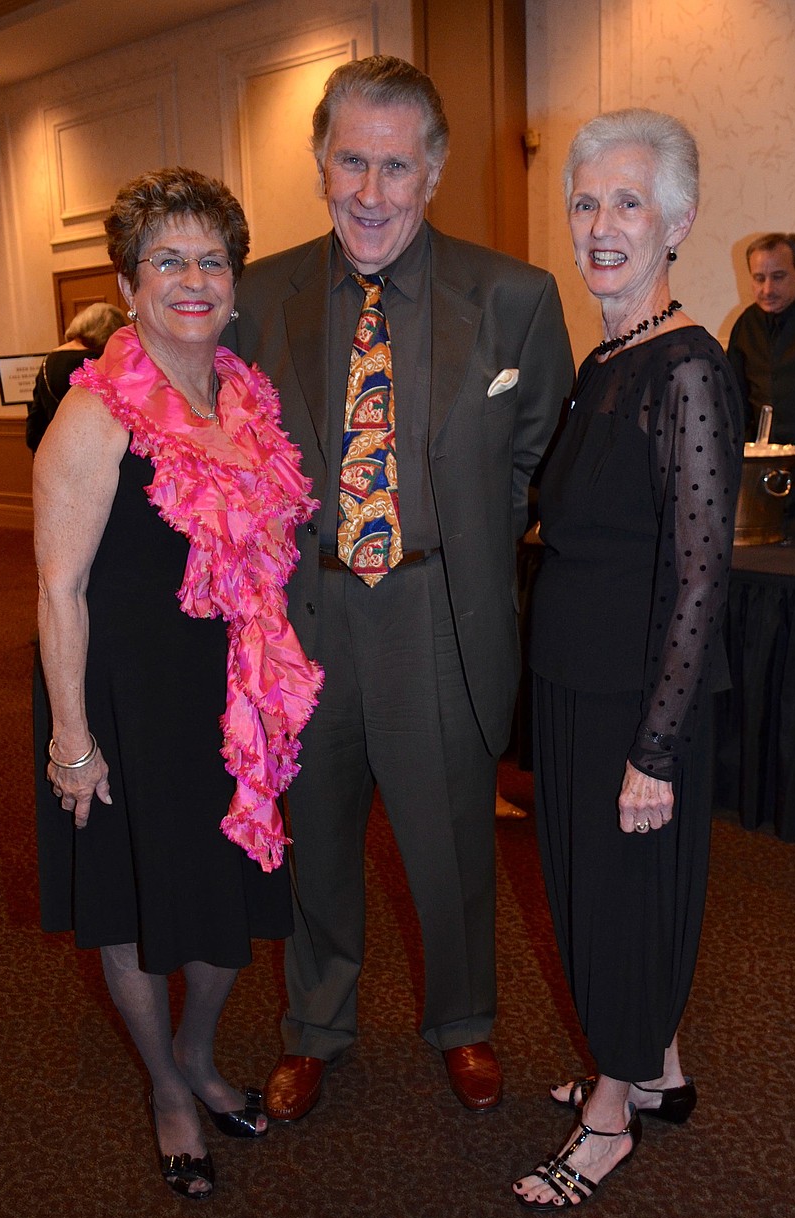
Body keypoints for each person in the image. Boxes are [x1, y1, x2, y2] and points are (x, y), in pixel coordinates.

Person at [226, 55, 573, 1122]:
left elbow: (537, 455)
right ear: (320, 162)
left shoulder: (514, 298)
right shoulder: (261, 294)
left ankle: (462, 1020)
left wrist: (452, 538)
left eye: (393, 166)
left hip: (437, 615)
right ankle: (318, 1024)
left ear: (433, 170)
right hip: (308, 616)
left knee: (453, 844)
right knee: (316, 839)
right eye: (349, 163)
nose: (369, 193)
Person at [32, 167, 322, 1200]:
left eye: (211, 259)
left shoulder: (245, 396)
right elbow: (59, 591)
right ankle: (165, 1083)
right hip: (123, 697)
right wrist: (73, 739)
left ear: (234, 283)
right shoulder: (96, 413)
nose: (192, 278)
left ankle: (200, 1051)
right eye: (168, 259)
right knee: (131, 906)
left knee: (229, 899)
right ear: (131, 278)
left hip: (228, 697)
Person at [512, 109, 742, 1212]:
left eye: (628, 201)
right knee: (597, 892)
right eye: (585, 200)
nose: (600, 225)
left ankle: (610, 1112)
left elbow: (701, 577)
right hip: (572, 680)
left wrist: (654, 747)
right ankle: (656, 1064)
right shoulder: (608, 353)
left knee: (614, 900)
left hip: (632, 699)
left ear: (678, 221)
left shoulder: (687, 369)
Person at [726, 232, 795, 526]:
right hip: (763, 476)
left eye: (779, 276)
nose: (767, 288)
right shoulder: (745, 325)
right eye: (759, 278)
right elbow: (736, 405)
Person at [25, 301, 125, 452]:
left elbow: (35, 425)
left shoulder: (48, 360)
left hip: (55, 450)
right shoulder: (94, 362)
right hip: (90, 450)